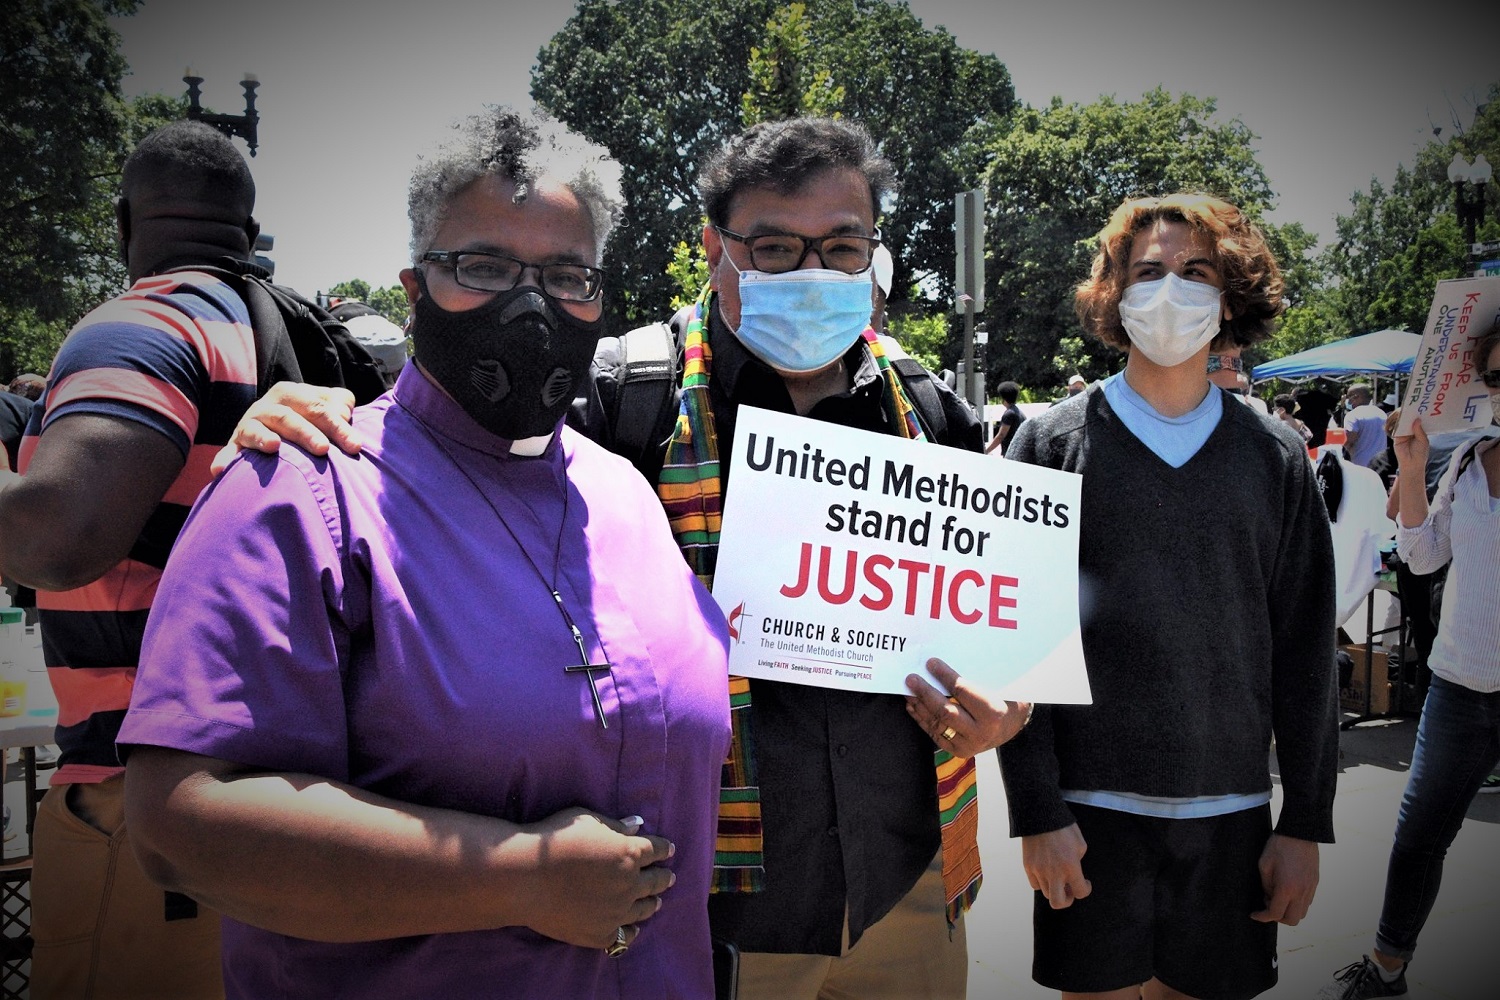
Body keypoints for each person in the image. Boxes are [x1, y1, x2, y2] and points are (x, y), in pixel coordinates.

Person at [224, 115, 1033, 1000]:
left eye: (842, 248)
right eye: (772, 248)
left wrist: (1006, 704)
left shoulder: (930, 410)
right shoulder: (618, 395)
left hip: (906, 890)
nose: (811, 274)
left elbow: (1001, 635)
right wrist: (328, 412)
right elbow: (459, 441)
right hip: (704, 912)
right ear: (713, 249)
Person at [119, 106, 731, 999]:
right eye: (483, 266)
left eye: (568, 275)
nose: (531, 306)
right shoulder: (302, 488)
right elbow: (181, 824)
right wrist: (515, 875)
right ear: (414, 287)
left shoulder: (625, 494)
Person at [0, 119, 345, 999]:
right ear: (246, 228)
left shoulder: (144, 325)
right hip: (291, 806)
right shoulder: (296, 337)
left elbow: (57, 537)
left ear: (123, 224)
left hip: (145, 814)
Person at [1000, 192, 1339, 1000]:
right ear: (1114, 292)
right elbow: (1015, 640)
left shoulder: (1274, 456)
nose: (1170, 289)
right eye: (1148, 271)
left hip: (1231, 813)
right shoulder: (1049, 443)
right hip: (1088, 817)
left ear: (1230, 295)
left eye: (1196, 271)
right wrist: (1037, 810)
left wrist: (1305, 820)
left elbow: (1305, 649)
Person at [1323, 321, 1500, 998]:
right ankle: (1386, 969)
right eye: (1495, 377)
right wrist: (1415, 466)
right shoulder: (1472, 459)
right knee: (1419, 837)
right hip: (1459, 686)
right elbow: (1422, 559)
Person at [1344, 382, 1389, 468]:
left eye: (1349, 396)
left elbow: (1350, 441)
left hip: (1360, 465)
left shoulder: (1353, 415)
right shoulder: (1381, 413)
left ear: (1356, 396)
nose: (1348, 401)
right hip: (1381, 465)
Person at [984, 379, 1025, 455]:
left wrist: (986, 451)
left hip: (1010, 453)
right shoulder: (1019, 413)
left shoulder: (1009, 414)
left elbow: (1001, 435)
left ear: (1003, 398)